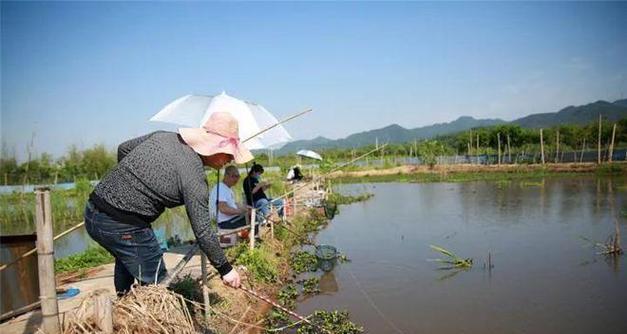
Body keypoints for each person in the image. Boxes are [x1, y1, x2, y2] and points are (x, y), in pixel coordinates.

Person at [84, 112, 252, 295]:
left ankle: (124, 306)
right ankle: (150, 321)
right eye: (229, 153)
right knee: (157, 285)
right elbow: (203, 231)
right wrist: (226, 269)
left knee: (127, 260)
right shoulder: (194, 177)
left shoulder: (163, 136)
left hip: (94, 209)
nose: (231, 160)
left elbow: (123, 149)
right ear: (213, 148)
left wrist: (133, 178)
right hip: (123, 224)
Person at [209, 165, 251, 243]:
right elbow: (223, 209)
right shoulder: (220, 188)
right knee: (252, 218)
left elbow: (234, 204)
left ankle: (245, 240)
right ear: (226, 175)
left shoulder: (228, 189)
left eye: (238, 176)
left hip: (231, 220)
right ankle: (247, 242)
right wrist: (242, 212)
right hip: (224, 223)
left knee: (252, 214)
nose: (236, 179)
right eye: (234, 176)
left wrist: (246, 207)